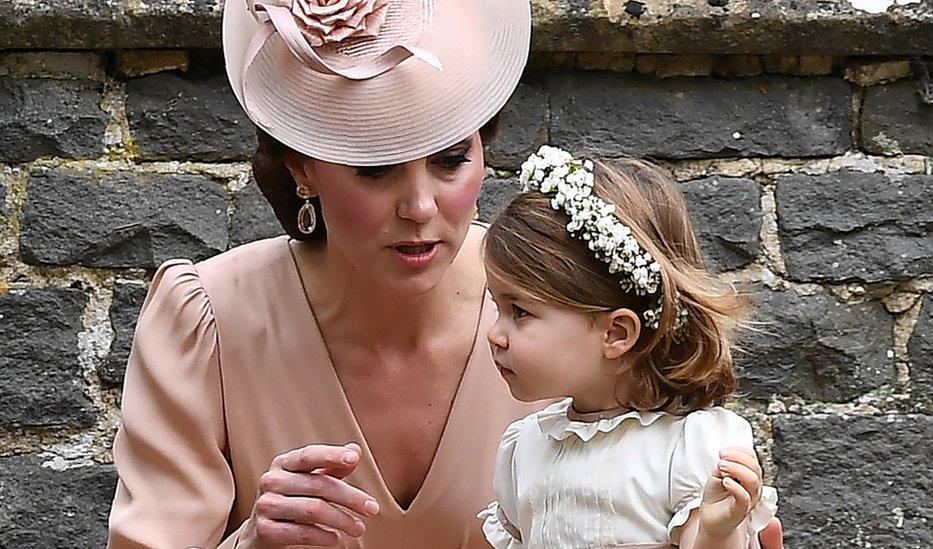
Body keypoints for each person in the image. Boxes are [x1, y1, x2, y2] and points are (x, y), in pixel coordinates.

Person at [106, 0, 785, 547]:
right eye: (375, 166)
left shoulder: (573, 306)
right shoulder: (207, 321)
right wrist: (252, 542)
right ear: (301, 167)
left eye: (450, 159)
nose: (421, 206)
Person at [477, 147, 779, 548]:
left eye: (519, 312)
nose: (495, 335)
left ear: (616, 334)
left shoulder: (687, 451)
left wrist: (716, 530)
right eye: (496, 307)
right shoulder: (525, 449)